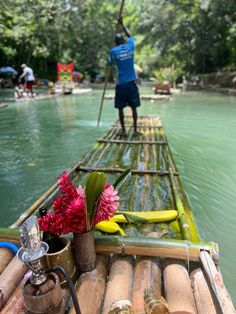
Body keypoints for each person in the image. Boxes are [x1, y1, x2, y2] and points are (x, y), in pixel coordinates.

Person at [109, 17, 141, 137]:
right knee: (134, 108)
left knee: (120, 109)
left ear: (115, 42)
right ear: (123, 41)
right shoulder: (129, 47)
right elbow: (130, 35)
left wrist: (112, 51)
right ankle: (135, 130)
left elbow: (110, 63)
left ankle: (123, 131)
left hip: (121, 85)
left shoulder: (113, 51)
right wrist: (122, 24)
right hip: (132, 84)